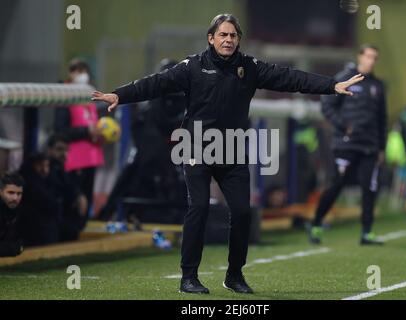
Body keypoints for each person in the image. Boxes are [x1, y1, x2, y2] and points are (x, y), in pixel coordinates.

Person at [92, 13, 363, 294]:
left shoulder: (250, 67)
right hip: (196, 147)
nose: (228, 40)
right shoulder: (192, 67)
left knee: (243, 213)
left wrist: (331, 86)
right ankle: (189, 277)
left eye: (233, 35)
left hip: (231, 149)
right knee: (198, 208)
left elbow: (290, 78)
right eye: (223, 35)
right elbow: (155, 83)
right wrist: (119, 95)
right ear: (211, 38)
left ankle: (234, 275)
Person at [309, 44, 387, 246]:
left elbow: (382, 119)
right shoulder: (344, 78)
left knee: (369, 188)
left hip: (369, 146)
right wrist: (344, 126)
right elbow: (327, 106)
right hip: (346, 144)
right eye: (369, 56)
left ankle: (367, 232)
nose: (371, 61)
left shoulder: (377, 85)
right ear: (360, 57)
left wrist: (381, 148)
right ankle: (316, 223)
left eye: (375, 57)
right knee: (336, 185)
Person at [98, 58, 187, 222]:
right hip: (149, 139)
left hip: (165, 141)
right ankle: (112, 212)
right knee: (136, 169)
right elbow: (158, 122)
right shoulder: (155, 97)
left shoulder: (183, 94)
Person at [54, 58, 105, 230]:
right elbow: (60, 130)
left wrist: (101, 134)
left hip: (90, 158)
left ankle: (77, 233)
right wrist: (86, 131)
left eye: (84, 70)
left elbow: (91, 125)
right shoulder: (65, 96)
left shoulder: (88, 96)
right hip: (73, 160)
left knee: (85, 203)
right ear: (70, 73)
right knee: (75, 202)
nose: (82, 75)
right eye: (77, 71)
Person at [46, 133, 88, 242]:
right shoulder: (45, 170)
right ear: (49, 150)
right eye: (59, 149)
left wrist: (79, 195)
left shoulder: (63, 170)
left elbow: (70, 189)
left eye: (66, 150)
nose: (64, 154)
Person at [19, 153, 60, 247]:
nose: (44, 170)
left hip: (46, 231)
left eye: (46, 165)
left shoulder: (49, 182)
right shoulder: (27, 183)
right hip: (32, 232)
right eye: (40, 165)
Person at [0, 173, 24, 257]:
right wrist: (12, 249)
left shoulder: (18, 210)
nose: (15, 198)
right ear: (0, 191)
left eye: (19, 193)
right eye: (11, 192)